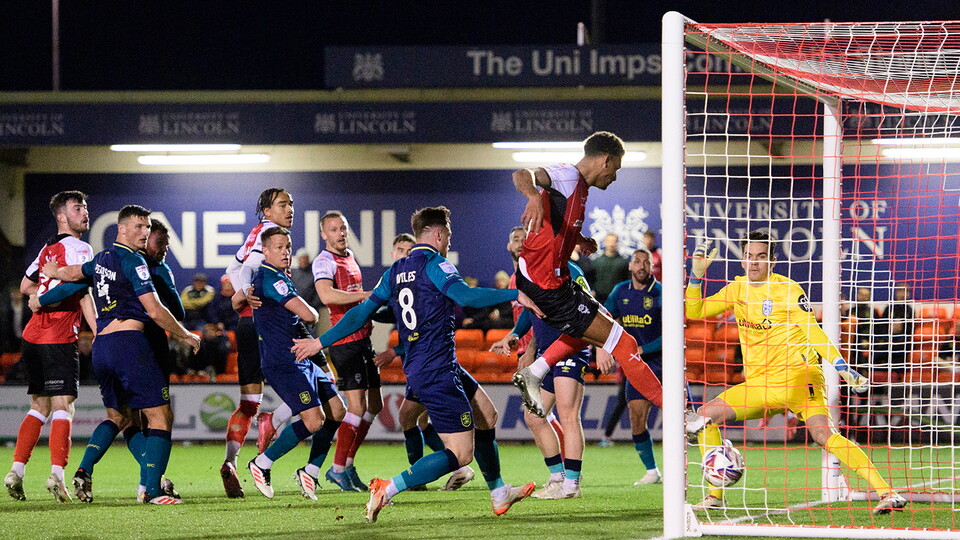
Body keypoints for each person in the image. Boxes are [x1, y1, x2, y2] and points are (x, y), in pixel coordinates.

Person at [291, 206, 536, 523]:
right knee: (460, 454)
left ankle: (499, 492)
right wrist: (519, 293)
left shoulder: (394, 271)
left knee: (487, 415)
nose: (448, 240)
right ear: (437, 233)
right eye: (447, 234)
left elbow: (360, 314)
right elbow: (467, 297)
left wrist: (319, 340)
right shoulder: (436, 264)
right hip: (436, 368)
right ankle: (387, 488)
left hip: (428, 363)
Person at [683, 230, 907, 515]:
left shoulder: (788, 290)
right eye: (749, 256)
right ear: (742, 260)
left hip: (799, 377)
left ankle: (887, 492)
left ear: (772, 261)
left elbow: (814, 333)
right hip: (760, 385)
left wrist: (842, 367)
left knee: (823, 435)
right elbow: (696, 309)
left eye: (761, 257)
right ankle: (715, 496)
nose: (754, 263)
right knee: (703, 417)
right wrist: (696, 276)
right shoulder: (736, 289)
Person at [43, 205, 200, 505]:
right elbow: (156, 310)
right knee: (160, 416)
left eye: (148, 228)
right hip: (131, 345)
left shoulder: (101, 258)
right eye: (140, 227)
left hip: (102, 347)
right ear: (123, 228)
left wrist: (52, 275)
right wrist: (186, 334)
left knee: (119, 416)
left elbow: (75, 274)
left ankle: (86, 469)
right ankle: (151, 490)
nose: (145, 233)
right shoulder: (136, 262)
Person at [510, 131, 663, 419]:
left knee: (591, 330)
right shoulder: (567, 176)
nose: (614, 177)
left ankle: (535, 371)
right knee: (624, 342)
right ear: (605, 161)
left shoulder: (580, 188)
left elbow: (555, 224)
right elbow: (522, 173)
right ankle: (681, 416)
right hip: (546, 285)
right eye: (615, 169)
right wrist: (532, 196)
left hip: (553, 280)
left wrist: (577, 238)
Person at [237, 227, 345, 502]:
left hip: (301, 355)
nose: (285, 251)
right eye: (278, 247)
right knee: (314, 420)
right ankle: (262, 463)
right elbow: (308, 314)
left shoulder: (280, 277)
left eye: (288, 246)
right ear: (266, 251)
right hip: (283, 361)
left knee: (337, 411)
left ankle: (309, 470)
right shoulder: (272, 279)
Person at [4, 191, 96, 503]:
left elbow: (26, 285)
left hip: (32, 337)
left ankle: (16, 470)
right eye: (76, 208)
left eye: (84, 206)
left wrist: (42, 294)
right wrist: (98, 330)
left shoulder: (48, 249)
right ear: (61, 217)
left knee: (38, 406)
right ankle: (57, 475)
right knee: (63, 407)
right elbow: (83, 286)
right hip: (58, 336)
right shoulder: (80, 247)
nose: (84, 212)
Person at [220, 187, 294, 498]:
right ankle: (272, 422)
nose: (289, 208)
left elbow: (230, 271)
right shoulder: (269, 234)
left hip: (247, 322)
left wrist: (240, 293)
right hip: (269, 323)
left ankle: (230, 461)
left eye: (290, 203)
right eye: (282, 204)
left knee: (249, 401)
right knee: (319, 387)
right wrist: (247, 290)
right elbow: (248, 267)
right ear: (266, 209)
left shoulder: (256, 232)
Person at [311, 212, 379, 491]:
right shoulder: (324, 261)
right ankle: (338, 468)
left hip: (362, 338)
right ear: (324, 234)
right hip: (344, 342)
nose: (340, 233)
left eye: (343, 228)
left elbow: (351, 293)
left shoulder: (349, 256)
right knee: (358, 407)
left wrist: (367, 314)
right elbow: (327, 296)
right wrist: (365, 297)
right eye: (333, 229)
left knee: (375, 406)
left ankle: (347, 465)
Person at [604, 248, 666, 485]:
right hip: (636, 366)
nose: (641, 266)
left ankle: (706, 464)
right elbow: (605, 318)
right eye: (637, 262)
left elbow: (673, 331)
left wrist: (644, 349)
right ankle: (652, 471)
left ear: (652, 267)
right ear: (630, 266)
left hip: (663, 363)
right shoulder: (620, 292)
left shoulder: (660, 292)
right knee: (637, 419)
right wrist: (607, 347)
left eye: (646, 263)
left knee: (682, 417)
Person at [591, 233, 629, 303]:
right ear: (605, 242)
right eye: (609, 241)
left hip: (617, 298)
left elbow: (627, 280)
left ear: (617, 243)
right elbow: (591, 279)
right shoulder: (596, 261)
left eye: (614, 241)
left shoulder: (624, 262)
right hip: (599, 298)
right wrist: (592, 290)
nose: (611, 244)